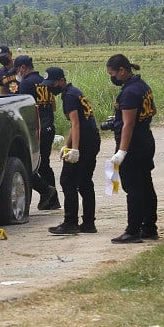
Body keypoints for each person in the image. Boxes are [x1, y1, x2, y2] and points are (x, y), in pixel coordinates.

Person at [106, 54, 158, 243]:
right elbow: (153, 110)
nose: (112, 78)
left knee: (134, 188)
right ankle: (149, 227)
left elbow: (128, 125)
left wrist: (122, 151)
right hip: (146, 139)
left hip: (133, 145)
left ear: (122, 70)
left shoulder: (129, 92)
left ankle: (133, 230)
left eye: (112, 73)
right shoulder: (142, 86)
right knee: (146, 185)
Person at [43, 67, 100, 235]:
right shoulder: (74, 92)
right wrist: (67, 145)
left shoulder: (68, 96)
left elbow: (76, 124)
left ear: (61, 80)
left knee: (67, 181)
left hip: (84, 142)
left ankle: (70, 222)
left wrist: (74, 149)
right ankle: (89, 223)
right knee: (84, 182)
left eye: (52, 83)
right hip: (91, 139)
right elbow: (77, 123)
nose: (50, 87)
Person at [14, 54, 61, 211]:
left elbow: (23, 110)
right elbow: (53, 105)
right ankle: (52, 199)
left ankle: (47, 193)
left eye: (17, 70)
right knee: (45, 164)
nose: (17, 74)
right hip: (49, 127)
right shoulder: (43, 80)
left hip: (37, 130)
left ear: (23, 68)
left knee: (30, 165)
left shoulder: (26, 85)